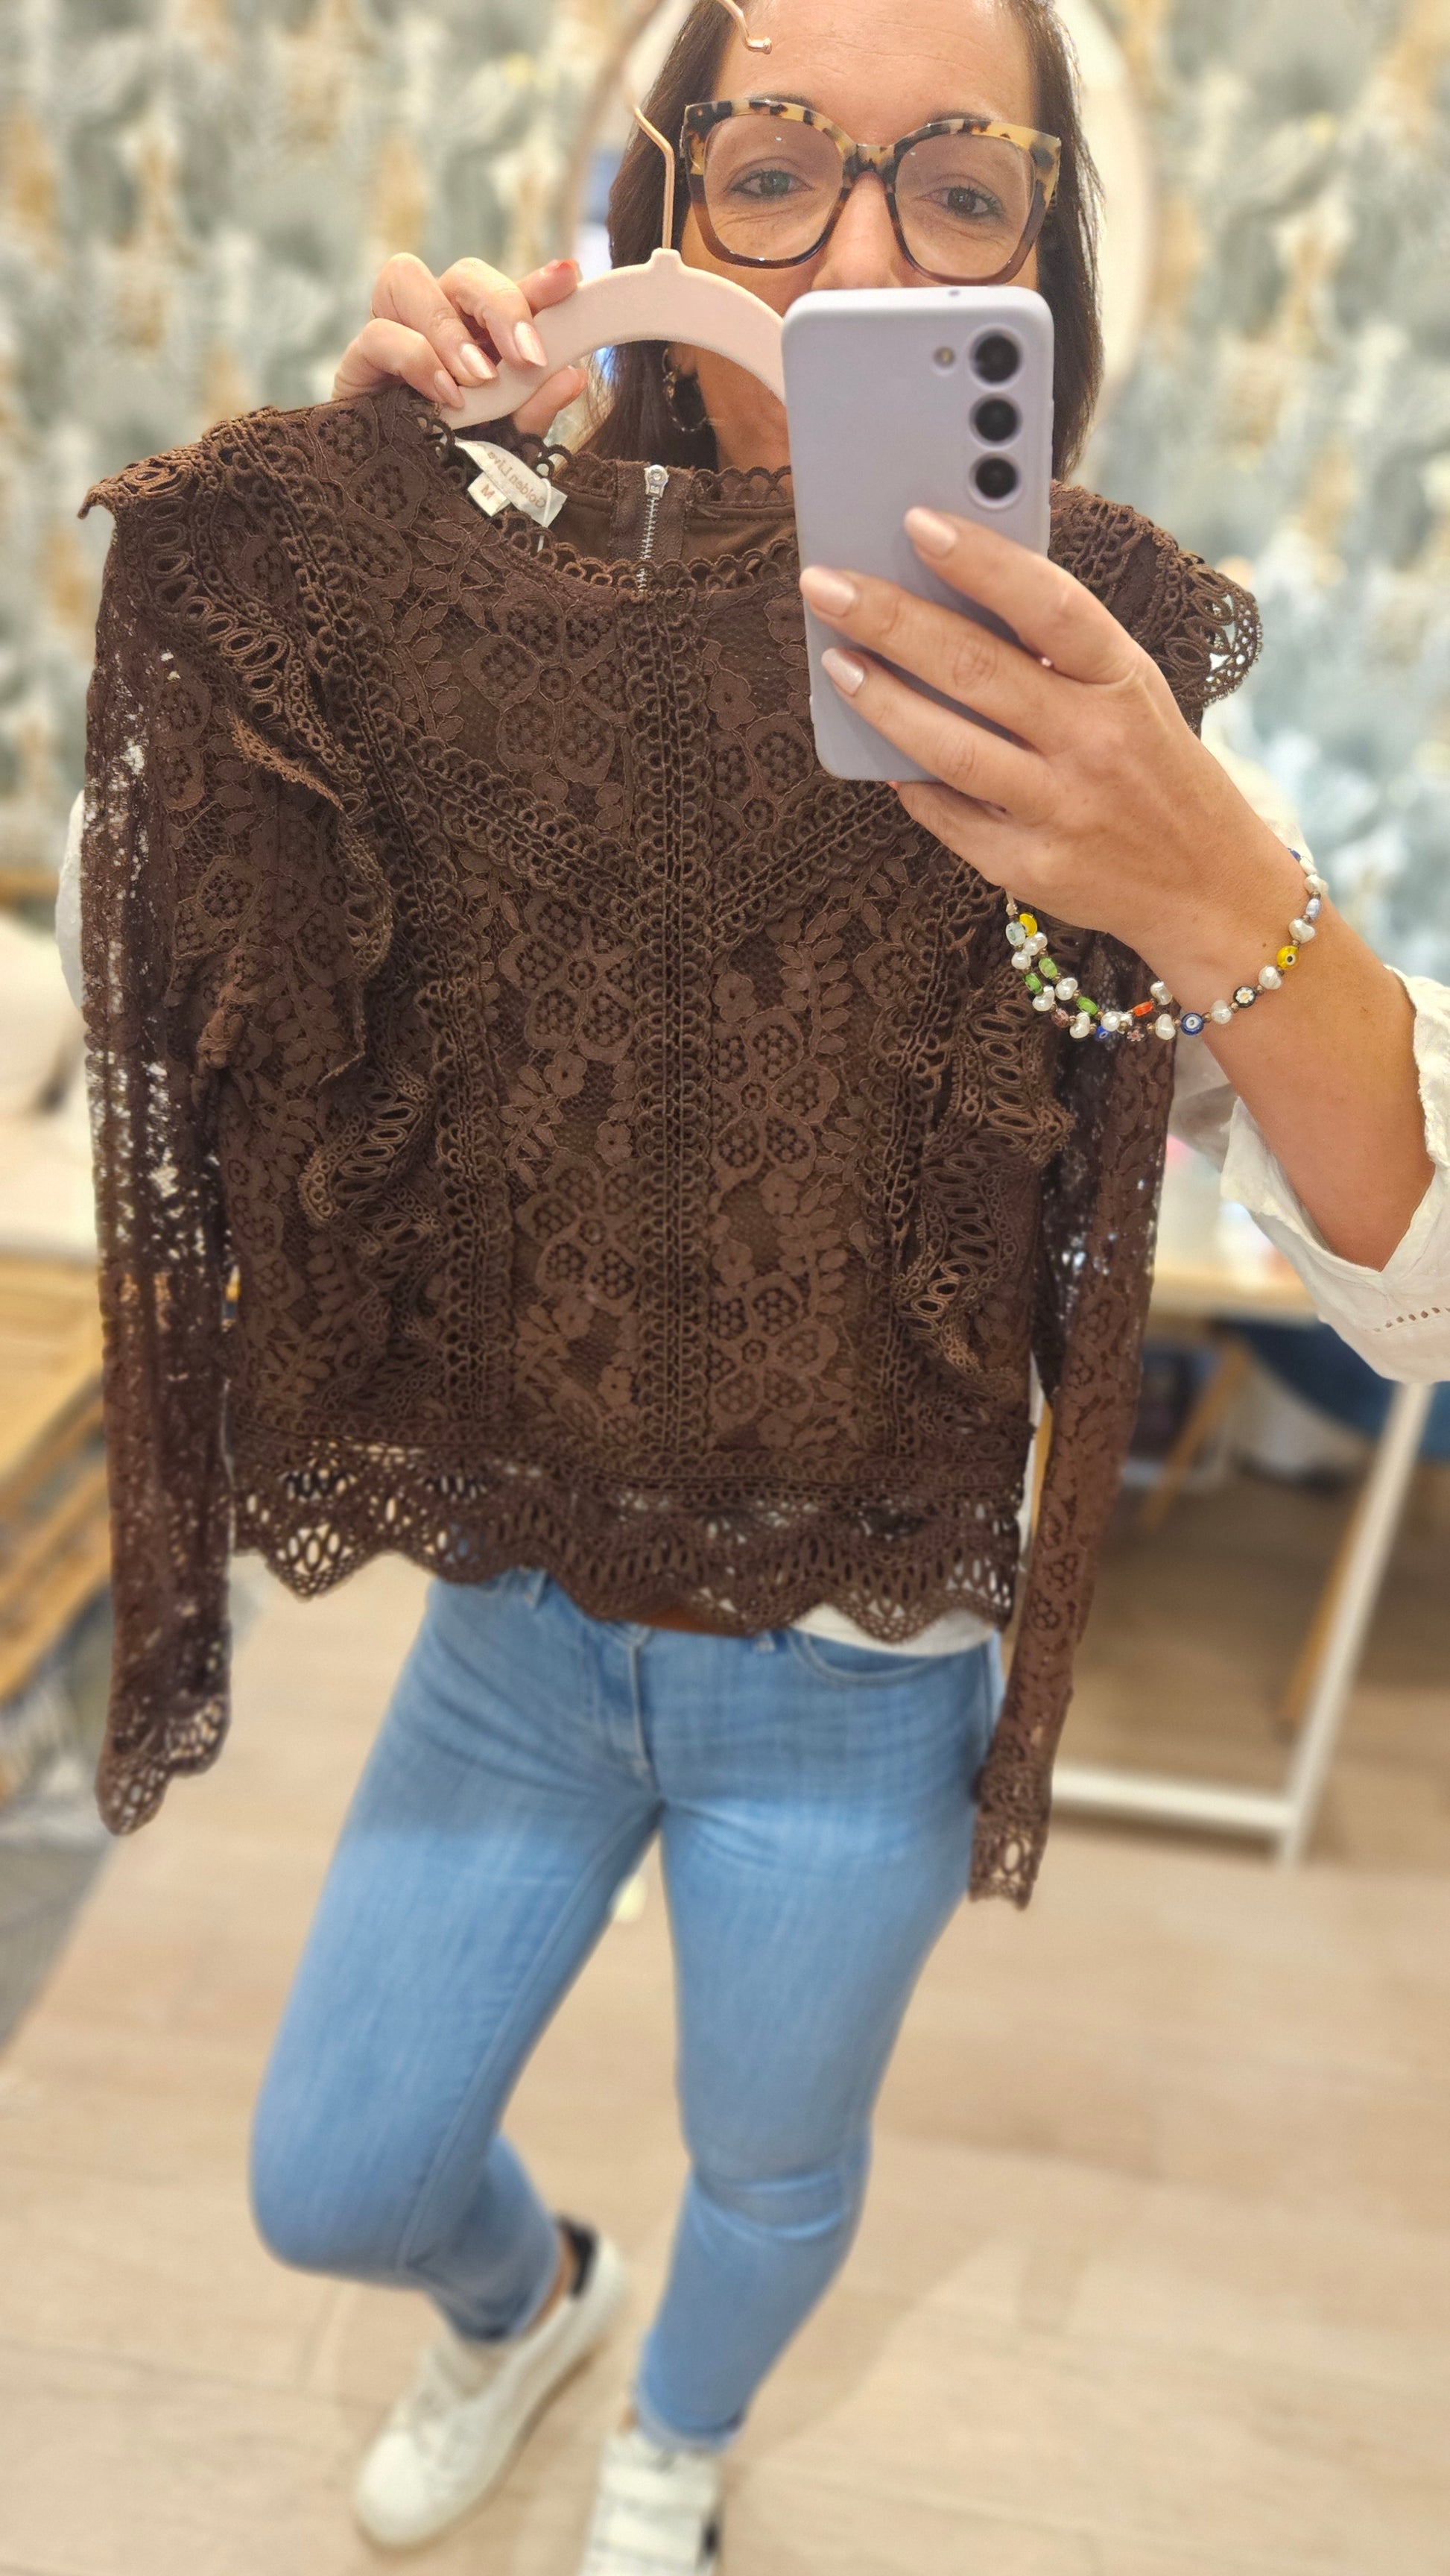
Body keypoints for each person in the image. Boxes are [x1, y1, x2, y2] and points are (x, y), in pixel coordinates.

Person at [69, 2, 1450, 2571]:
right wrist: (362, 560)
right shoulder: (476, 594)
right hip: (514, 1615)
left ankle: (680, 2443)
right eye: (781, 158)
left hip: (854, 1670)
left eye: (962, 186)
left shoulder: (1089, 701)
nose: (860, 256)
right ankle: (524, 2306)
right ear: (663, 200)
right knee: (333, 2175)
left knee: (776, 2154)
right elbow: (246, 991)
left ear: (1035, 269)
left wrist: (1206, 879)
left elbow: (1412, 1278)